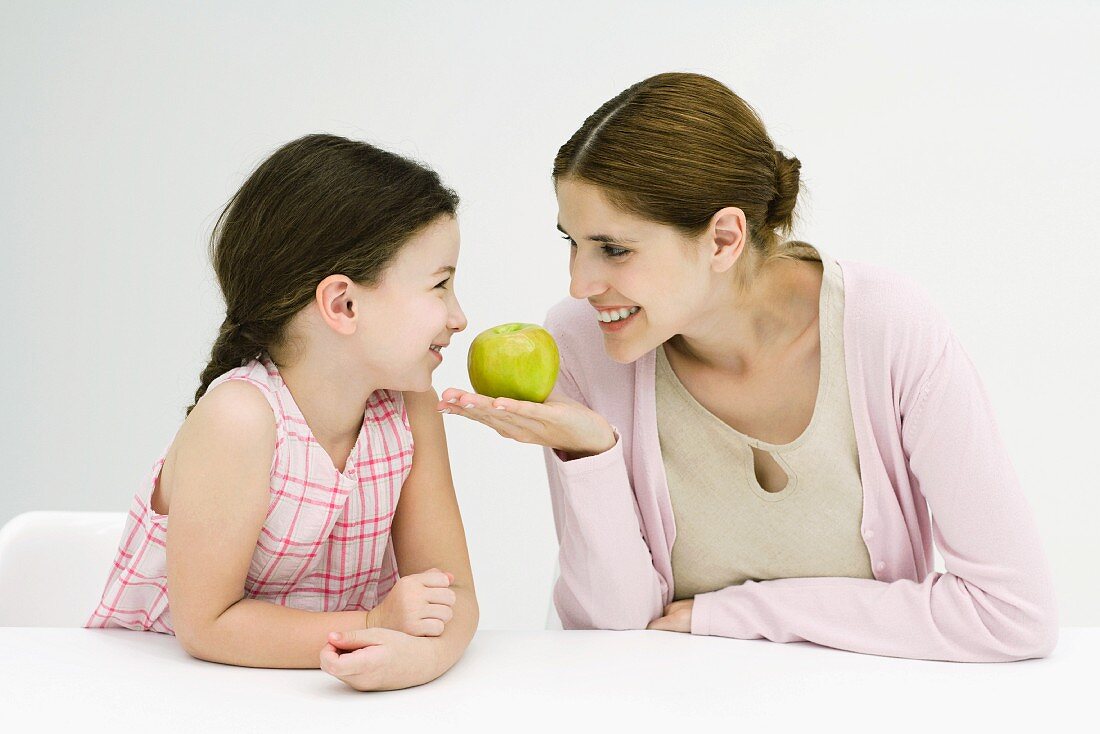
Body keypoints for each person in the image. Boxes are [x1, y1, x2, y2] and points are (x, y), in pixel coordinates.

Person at [440, 73, 1058, 662]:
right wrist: (591, 454)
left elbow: (1012, 613)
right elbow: (615, 636)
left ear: (724, 239)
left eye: (615, 249)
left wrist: (736, 614)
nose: (580, 283)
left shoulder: (887, 329)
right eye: (571, 242)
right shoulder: (582, 343)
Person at [88, 134, 478, 690]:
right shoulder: (240, 419)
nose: (459, 316)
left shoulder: (409, 407)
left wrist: (422, 660)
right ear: (343, 304)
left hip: (309, 697)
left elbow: (454, 591)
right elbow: (207, 627)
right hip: (165, 694)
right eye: (440, 285)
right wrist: (372, 625)